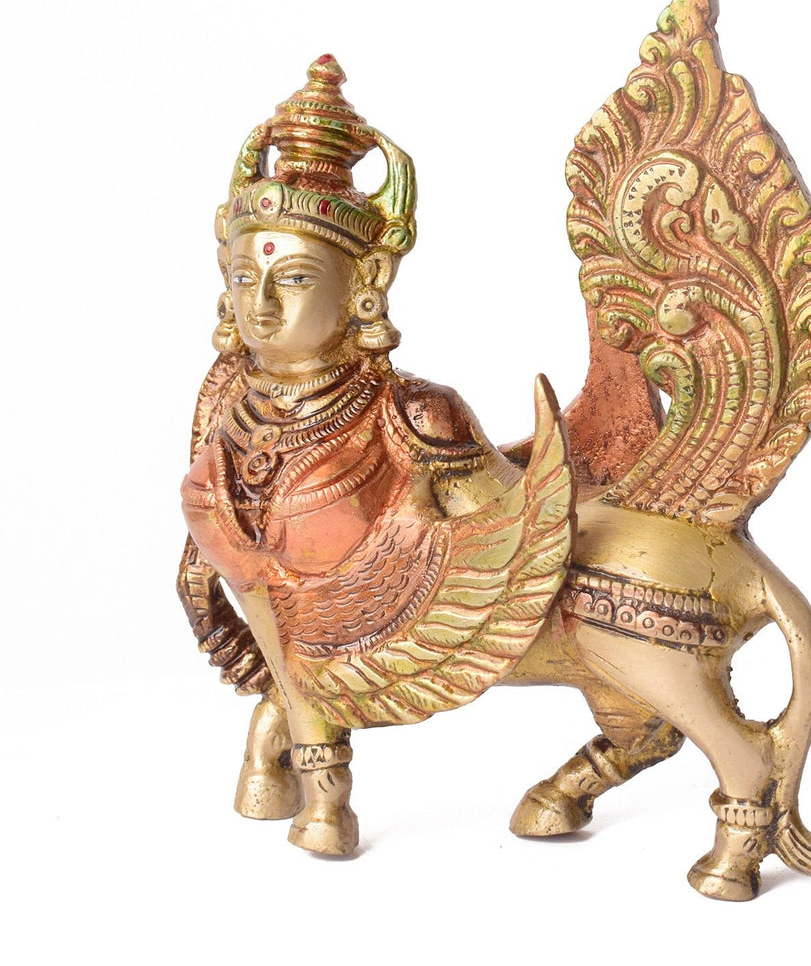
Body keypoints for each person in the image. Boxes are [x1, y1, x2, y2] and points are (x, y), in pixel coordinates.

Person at [180, 55, 572, 854]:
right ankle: (284, 744)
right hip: (289, 651)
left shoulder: (412, 414)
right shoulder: (225, 398)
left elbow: (502, 540)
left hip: (395, 630)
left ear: (365, 279)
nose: (261, 306)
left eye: (294, 278)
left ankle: (324, 791)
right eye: (244, 278)